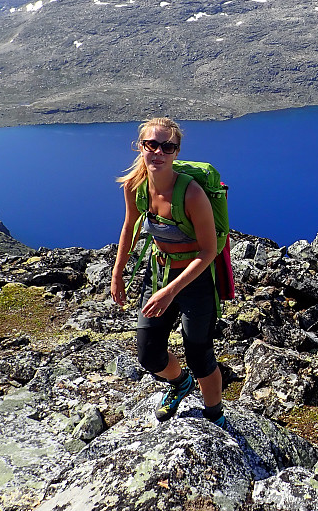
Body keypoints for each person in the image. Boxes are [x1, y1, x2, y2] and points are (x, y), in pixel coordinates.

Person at [110, 117, 226, 425]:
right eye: (152, 145)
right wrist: (118, 271)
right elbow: (130, 227)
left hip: (195, 279)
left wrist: (170, 291)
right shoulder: (136, 186)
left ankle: (215, 416)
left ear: (176, 152)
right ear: (141, 147)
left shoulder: (191, 195)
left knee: (199, 354)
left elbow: (209, 251)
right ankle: (180, 384)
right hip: (160, 273)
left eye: (167, 146)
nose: (158, 152)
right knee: (148, 354)